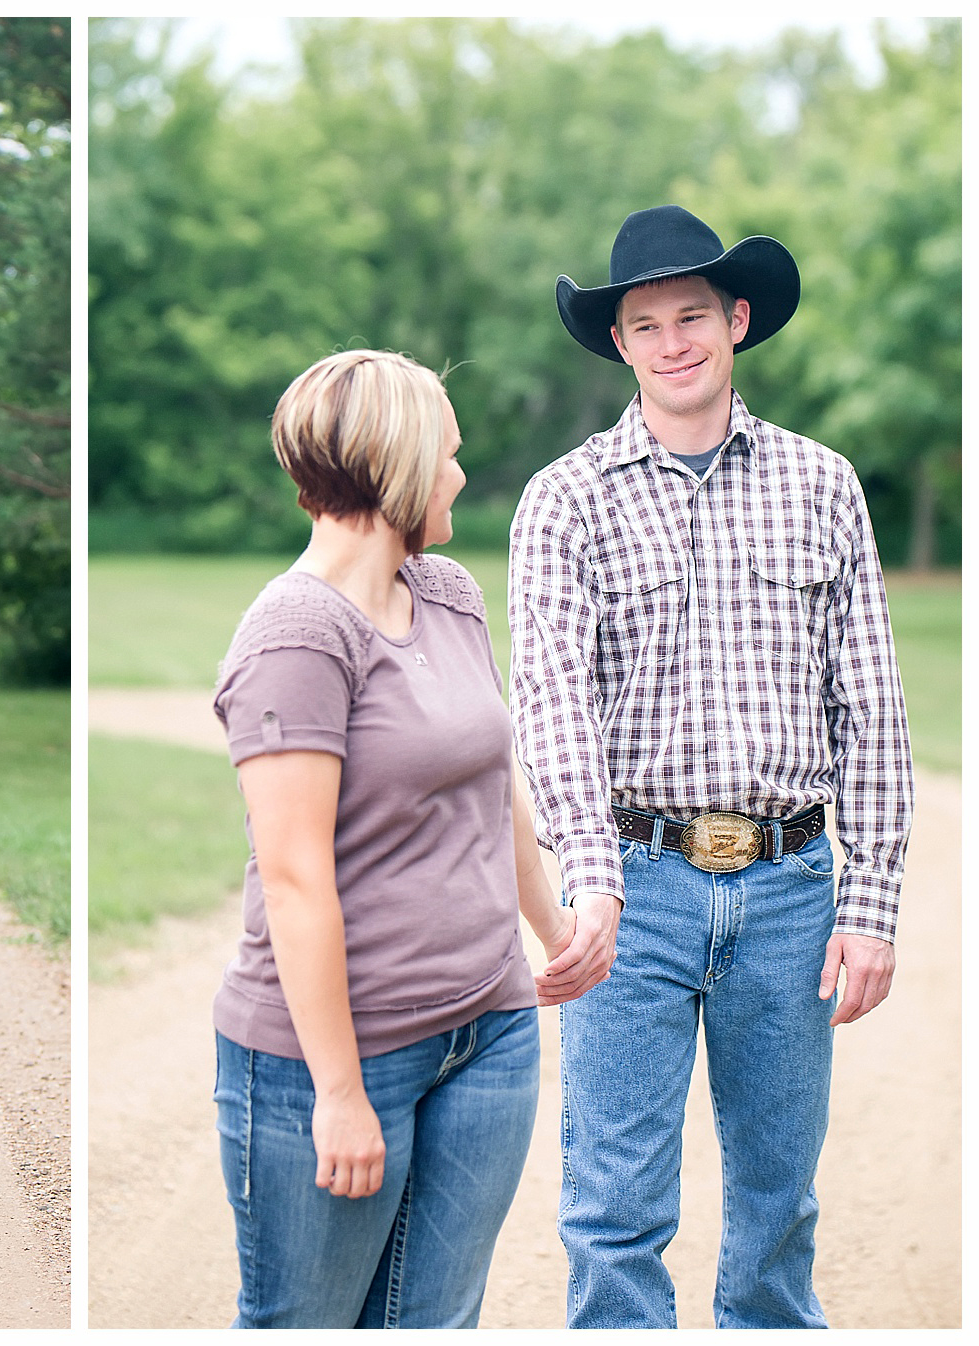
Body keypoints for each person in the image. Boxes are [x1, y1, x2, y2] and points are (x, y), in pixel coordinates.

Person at [509, 205, 913, 1328]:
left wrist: (871, 903)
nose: (674, 339)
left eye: (694, 314)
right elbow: (551, 704)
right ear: (621, 343)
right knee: (615, 1201)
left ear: (736, 320)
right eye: (647, 323)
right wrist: (592, 877)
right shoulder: (566, 499)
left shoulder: (824, 484)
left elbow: (870, 705)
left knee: (780, 1199)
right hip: (633, 884)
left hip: (791, 887)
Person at [210, 349, 612, 1329]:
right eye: (449, 455)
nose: (461, 477)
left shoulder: (449, 592)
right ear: (395, 462)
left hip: (489, 1029)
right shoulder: (296, 634)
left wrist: (550, 923)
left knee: (438, 1321)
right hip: (341, 1054)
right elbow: (297, 879)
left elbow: (491, 778)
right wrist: (341, 1092)